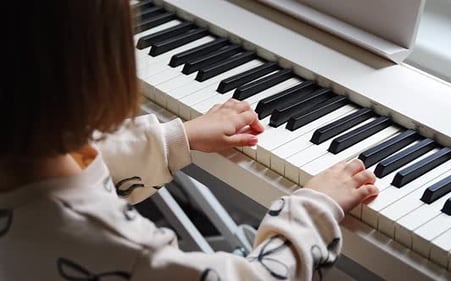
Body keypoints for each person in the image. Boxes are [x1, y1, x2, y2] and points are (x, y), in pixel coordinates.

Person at [0, 1, 378, 280]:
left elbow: (79, 161)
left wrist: (177, 137)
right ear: (90, 69)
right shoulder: (128, 249)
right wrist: (314, 208)